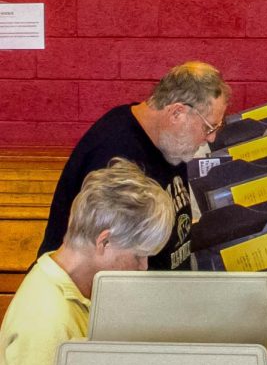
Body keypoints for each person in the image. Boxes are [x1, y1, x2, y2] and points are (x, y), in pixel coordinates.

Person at [0, 158, 176, 365]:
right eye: (138, 255)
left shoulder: (66, 275)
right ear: (104, 241)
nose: (143, 266)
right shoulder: (48, 325)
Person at [37, 61, 231, 270]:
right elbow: (107, 266)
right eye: (209, 126)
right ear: (177, 113)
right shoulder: (114, 156)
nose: (211, 138)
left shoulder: (171, 142)